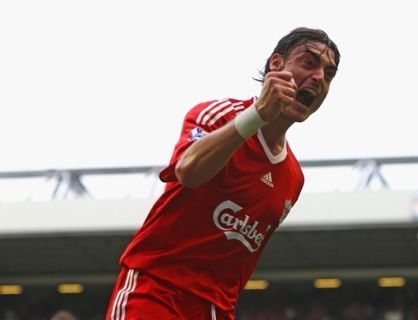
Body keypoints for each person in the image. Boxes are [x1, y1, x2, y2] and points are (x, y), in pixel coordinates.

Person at [106, 26, 340, 320]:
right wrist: (257, 117)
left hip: (217, 309)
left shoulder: (293, 178)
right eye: (309, 63)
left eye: (329, 74)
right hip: (157, 289)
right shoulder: (218, 115)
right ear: (276, 65)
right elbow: (188, 171)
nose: (319, 77)